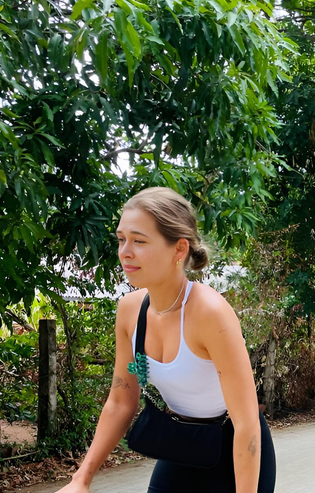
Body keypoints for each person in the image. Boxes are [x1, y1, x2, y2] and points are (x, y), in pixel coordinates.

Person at [56, 187, 275, 493]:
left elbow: (247, 422)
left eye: (139, 241)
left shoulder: (210, 313)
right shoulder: (130, 312)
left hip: (236, 447)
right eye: (121, 239)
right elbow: (121, 401)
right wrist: (81, 479)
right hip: (182, 441)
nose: (125, 251)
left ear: (179, 249)